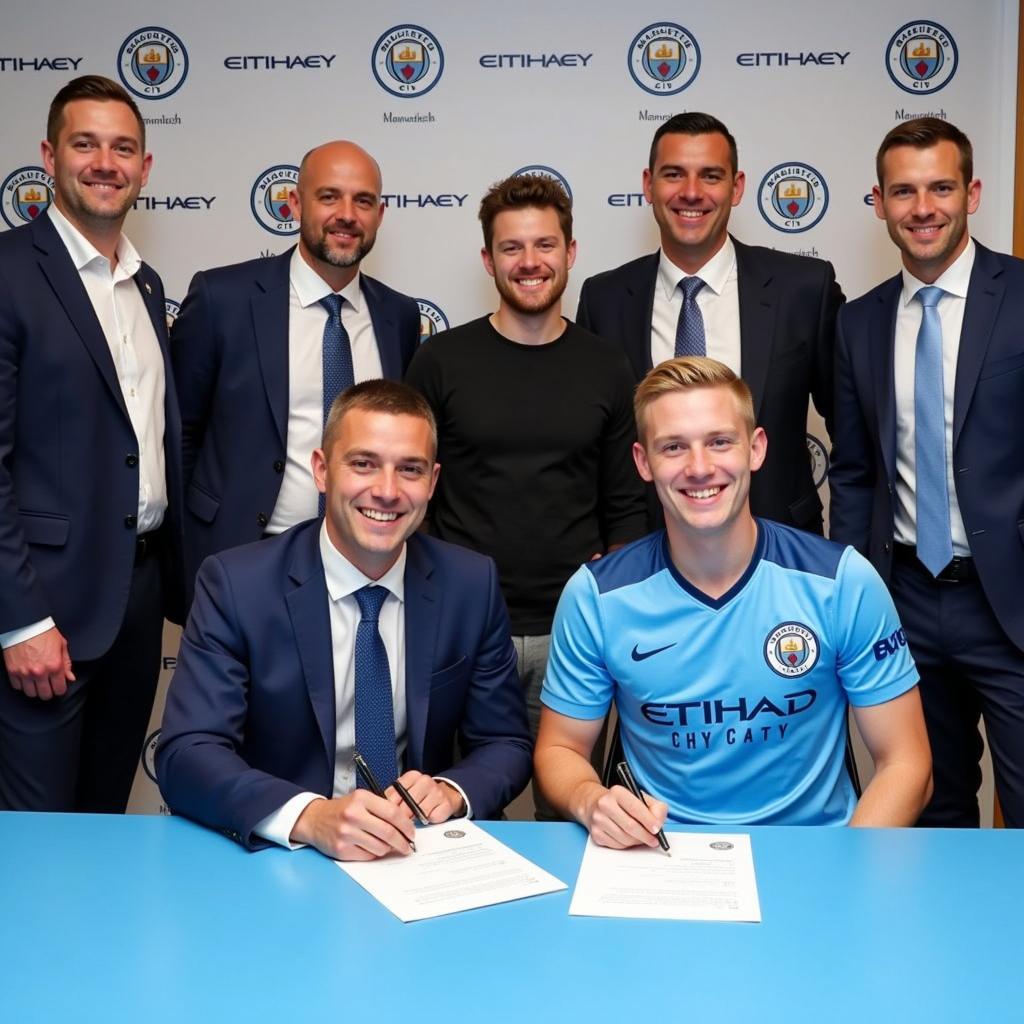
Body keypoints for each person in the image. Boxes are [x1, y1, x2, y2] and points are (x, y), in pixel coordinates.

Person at [535, 357, 932, 846]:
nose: (699, 468)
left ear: (756, 449)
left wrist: (843, 873)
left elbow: (907, 763)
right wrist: (590, 800)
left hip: (814, 855)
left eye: (719, 441)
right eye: (673, 447)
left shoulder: (841, 581)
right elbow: (560, 749)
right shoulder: (596, 596)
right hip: (660, 859)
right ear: (642, 462)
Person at [156, 380, 532, 858]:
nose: (388, 490)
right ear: (321, 470)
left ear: (433, 482)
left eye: (410, 470)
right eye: (363, 464)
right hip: (281, 854)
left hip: (415, 855)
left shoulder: (469, 584)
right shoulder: (237, 585)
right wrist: (310, 817)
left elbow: (505, 742)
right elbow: (188, 752)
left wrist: (451, 790)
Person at [404, 174, 647, 817]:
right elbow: (410, 494)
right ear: (488, 259)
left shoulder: (607, 365)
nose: (530, 262)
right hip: (460, 627)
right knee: (450, 810)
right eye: (512, 248)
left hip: (571, 631)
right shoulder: (440, 362)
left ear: (571, 253)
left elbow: (625, 502)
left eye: (545, 245)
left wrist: (607, 612)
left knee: (570, 811)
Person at [829, 117, 1024, 828]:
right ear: (878, 203)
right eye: (903, 191)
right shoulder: (859, 323)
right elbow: (853, 473)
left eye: (940, 187)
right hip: (905, 598)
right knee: (931, 807)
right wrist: (860, 597)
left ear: (972, 193)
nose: (923, 208)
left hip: (1010, 603)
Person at [0, 75, 183, 812]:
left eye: (123, 147)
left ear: (145, 166)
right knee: (37, 840)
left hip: (135, 599)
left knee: (106, 820)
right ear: (49, 155)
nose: (105, 162)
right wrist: (20, 620)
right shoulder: (10, 274)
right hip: (45, 608)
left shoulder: (146, 284)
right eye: (86, 144)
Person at [172, 140, 420, 595]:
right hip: (244, 557)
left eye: (363, 201)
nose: (346, 214)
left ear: (379, 215)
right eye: (329, 196)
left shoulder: (398, 316)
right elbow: (181, 434)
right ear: (294, 204)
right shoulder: (221, 299)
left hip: (363, 562)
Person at [576, 112, 842, 534]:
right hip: (646, 552)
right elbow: (596, 445)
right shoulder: (604, 299)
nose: (692, 193)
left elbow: (852, 431)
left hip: (782, 548)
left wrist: (842, 546)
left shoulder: (804, 289)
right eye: (674, 174)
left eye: (711, 176)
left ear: (736, 188)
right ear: (649, 184)